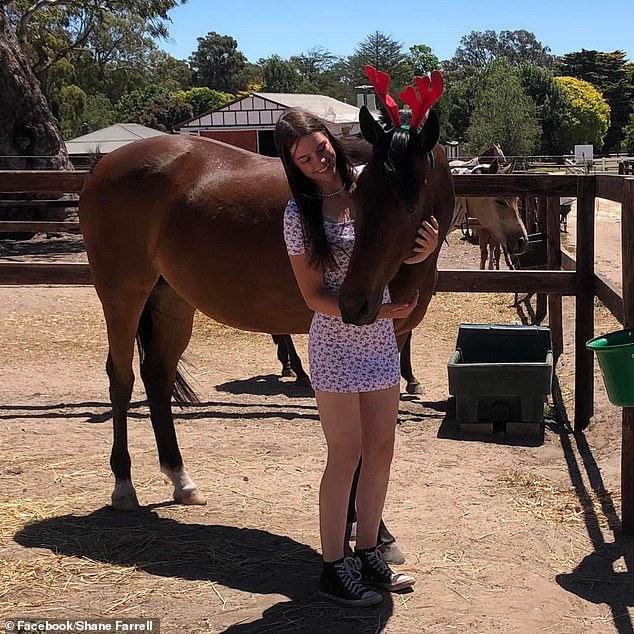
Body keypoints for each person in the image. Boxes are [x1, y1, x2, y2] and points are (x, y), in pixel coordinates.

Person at [274, 108, 439, 607]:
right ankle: (332, 565)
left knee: (381, 450)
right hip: (337, 341)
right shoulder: (297, 215)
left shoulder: (371, 185)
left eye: (319, 148)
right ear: (294, 165)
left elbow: (393, 238)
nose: (316, 161)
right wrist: (379, 311)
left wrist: (424, 249)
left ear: (332, 140)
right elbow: (312, 297)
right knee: (345, 454)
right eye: (304, 159)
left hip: (379, 340)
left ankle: (368, 551)